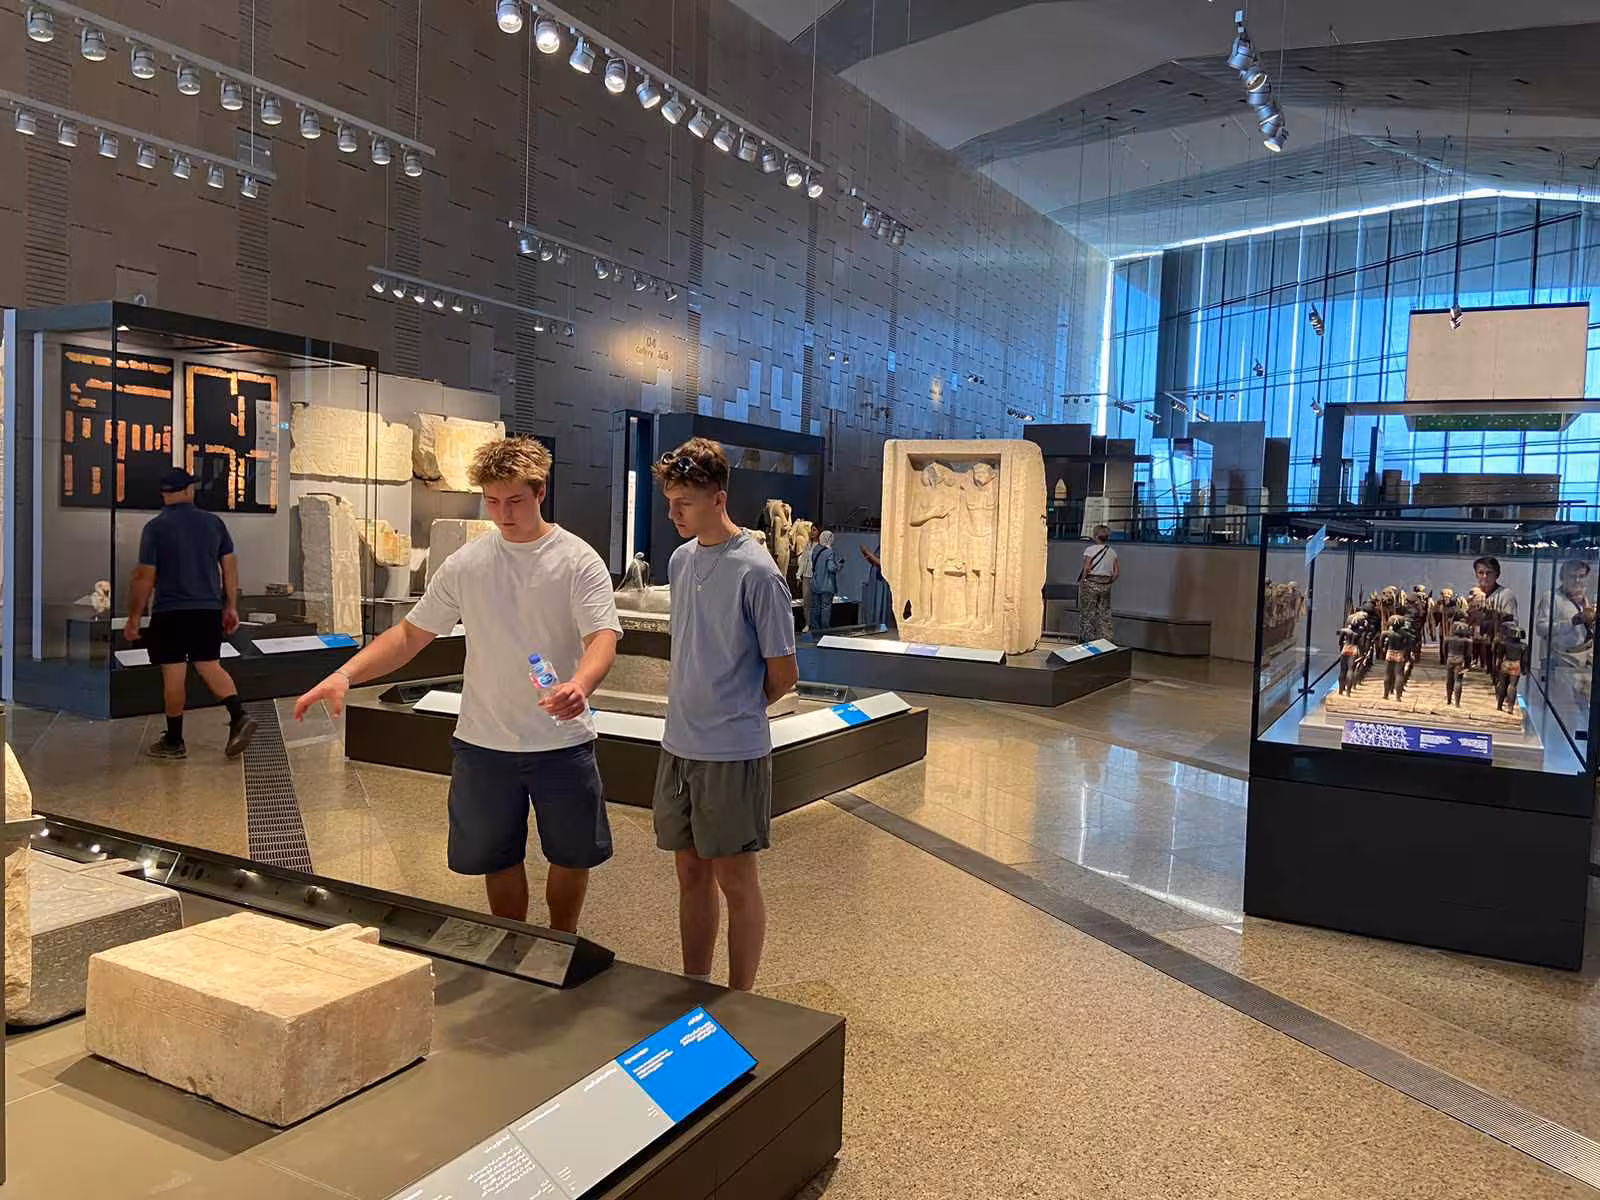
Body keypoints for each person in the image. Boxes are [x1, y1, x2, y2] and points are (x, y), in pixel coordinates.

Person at [292, 437, 620, 933]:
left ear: (540, 492)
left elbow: (603, 637)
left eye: (514, 501)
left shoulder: (577, 559)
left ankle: (562, 940)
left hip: (561, 741)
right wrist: (345, 674)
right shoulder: (468, 563)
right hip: (484, 742)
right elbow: (409, 635)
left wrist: (581, 684)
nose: (503, 514)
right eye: (492, 502)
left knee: (571, 854)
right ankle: (512, 941)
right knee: (496, 855)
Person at [651, 438, 798, 990]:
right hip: (679, 746)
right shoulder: (681, 560)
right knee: (689, 870)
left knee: (736, 878)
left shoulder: (757, 572)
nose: (674, 514)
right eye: (670, 502)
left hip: (732, 752)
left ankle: (741, 998)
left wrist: (733, 711)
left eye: (684, 502)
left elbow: (783, 675)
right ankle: (696, 985)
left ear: (718, 497)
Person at [125, 467, 256, 760]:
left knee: (174, 674)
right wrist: (231, 605)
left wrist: (134, 617)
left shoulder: (155, 528)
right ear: (188, 490)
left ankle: (174, 741)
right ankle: (239, 716)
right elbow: (229, 567)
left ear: (164, 494)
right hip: (207, 610)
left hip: (170, 612)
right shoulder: (214, 523)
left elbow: (144, 576)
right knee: (210, 665)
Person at [1078, 524, 1120, 642]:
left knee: (1088, 613)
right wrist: (1109, 582)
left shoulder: (1090, 550)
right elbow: (1117, 572)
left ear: (1095, 536)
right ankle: (1106, 640)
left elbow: (1087, 567)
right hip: (1105, 585)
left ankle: (1087, 640)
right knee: (1104, 613)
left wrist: (1083, 581)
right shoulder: (1112, 552)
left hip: (1091, 582)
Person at [810, 530, 839, 633]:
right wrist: (838, 566)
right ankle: (824, 631)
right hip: (826, 585)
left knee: (815, 607)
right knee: (825, 608)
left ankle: (814, 630)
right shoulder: (829, 552)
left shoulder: (816, 549)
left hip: (815, 583)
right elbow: (831, 568)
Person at [1473, 556, 1517, 623]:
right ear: (1476, 575)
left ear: (1496, 574)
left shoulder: (1506, 595)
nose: (1485, 576)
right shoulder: (1474, 593)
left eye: (1489, 573)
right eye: (1481, 573)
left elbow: (1512, 624)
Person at [796, 524, 819, 632]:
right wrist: (798, 574)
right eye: (811, 530)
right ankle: (807, 623)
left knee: (815, 601)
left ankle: (815, 624)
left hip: (816, 577)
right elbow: (803, 560)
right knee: (806, 601)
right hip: (806, 576)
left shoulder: (822, 545)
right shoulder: (808, 544)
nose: (812, 532)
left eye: (814, 530)